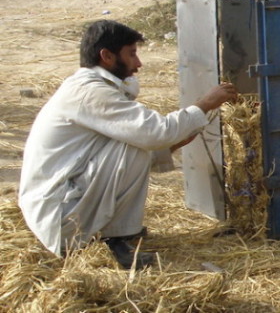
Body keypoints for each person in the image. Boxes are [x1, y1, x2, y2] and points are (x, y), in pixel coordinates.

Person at [19, 20, 238, 269]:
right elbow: (153, 133)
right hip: (61, 219)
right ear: (107, 56)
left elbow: (137, 143)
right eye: (132, 54)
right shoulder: (90, 92)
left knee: (136, 140)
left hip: (64, 206)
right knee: (135, 142)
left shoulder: (90, 87)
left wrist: (171, 145)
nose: (138, 64)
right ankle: (115, 240)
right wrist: (204, 104)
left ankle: (113, 232)